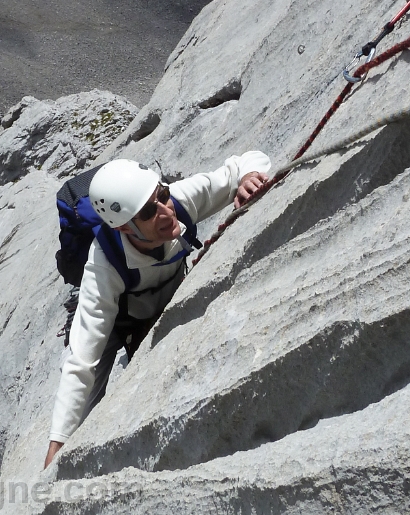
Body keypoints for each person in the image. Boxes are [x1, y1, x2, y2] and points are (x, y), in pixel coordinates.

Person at [44, 152, 272, 468]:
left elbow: (248, 161)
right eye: (150, 211)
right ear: (124, 228)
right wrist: (57, 447)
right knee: (89, 391)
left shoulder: (178, 200)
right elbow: (81, 362)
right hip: (116, 320)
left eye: (162, 194)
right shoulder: (104, 263)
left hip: (158, 304)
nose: (165, 210)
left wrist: (247, 179)